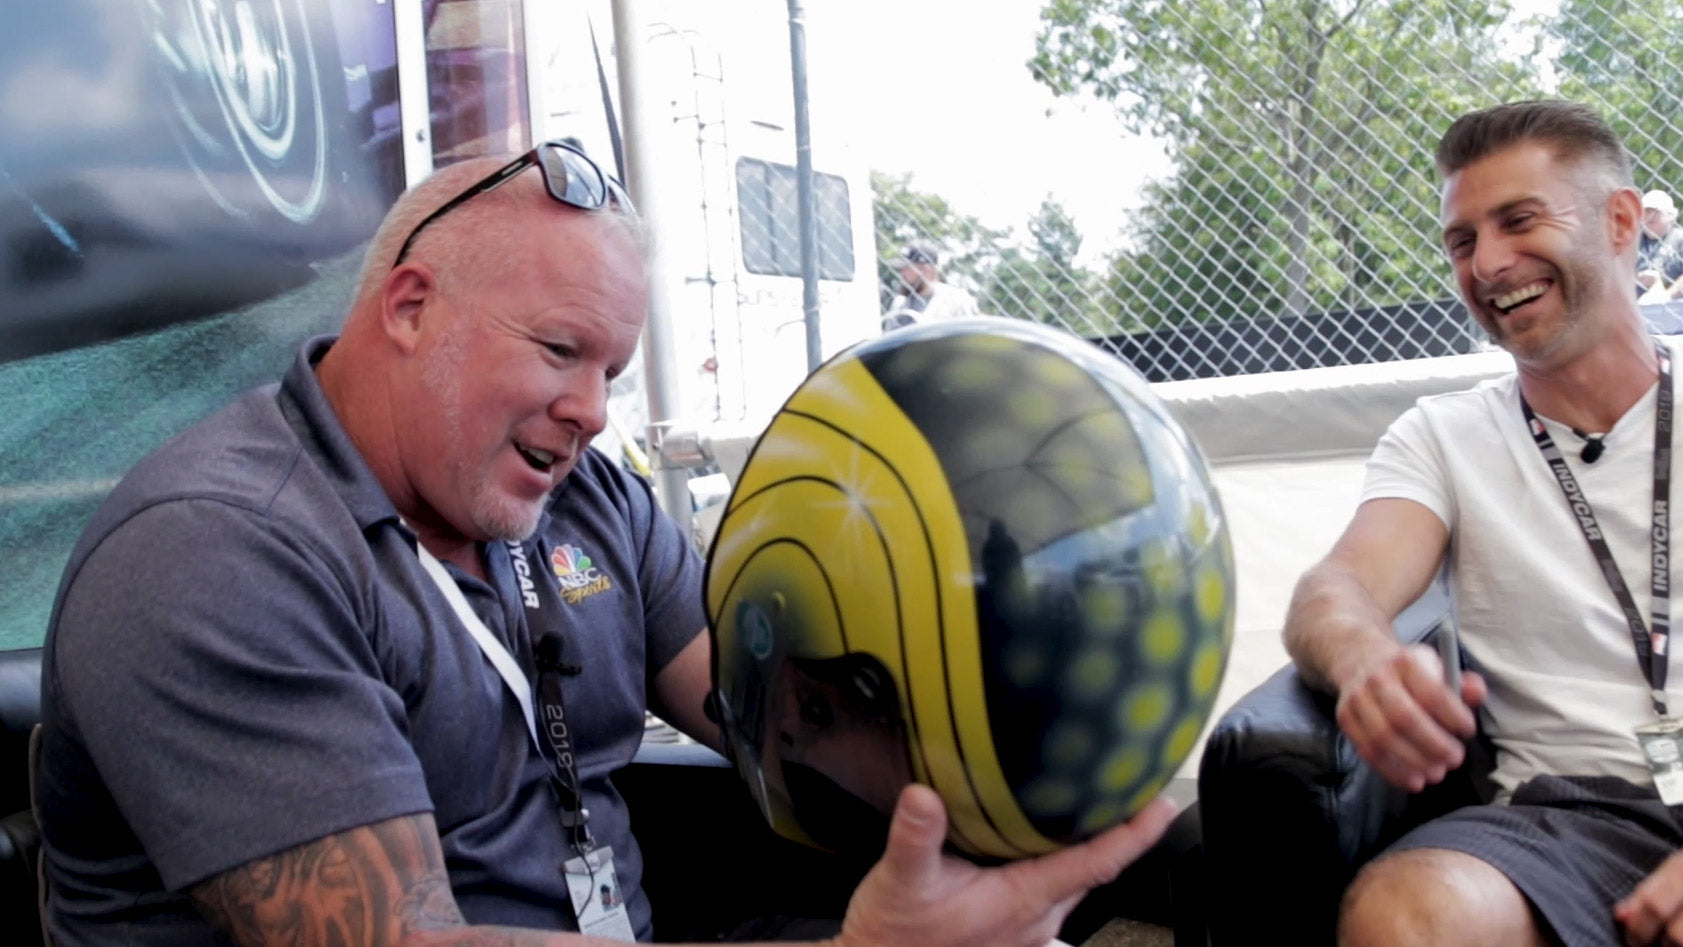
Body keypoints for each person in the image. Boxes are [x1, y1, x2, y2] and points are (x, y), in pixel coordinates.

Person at [34, 140, 1175, 946]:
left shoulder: (585, 501)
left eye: (612, 374)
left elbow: (765, 711)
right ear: (411, 305)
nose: (591, 410)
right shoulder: (217, 550)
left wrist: (1016, 776)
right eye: (559, 349)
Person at [1283, 99, 1683, 947]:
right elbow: (1336, 586)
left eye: (1518, 220)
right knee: (1406, 915)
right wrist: (1364, 659)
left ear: (1619, 221)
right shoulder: (1442, 434)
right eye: (1461, 241)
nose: (1489, 262)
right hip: (1570, 818)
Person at [882, 241, 981, 330]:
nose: (901, 274)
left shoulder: (956, 300)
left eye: (906, 268)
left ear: (926, 270)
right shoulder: (899, 304)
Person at [1636, 189, 1683, 301]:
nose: (1649, 215)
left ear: (1671, 215)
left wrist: (1667, 295)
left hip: (1672, 305)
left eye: (1655, 211)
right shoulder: (1634, 240)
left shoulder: (1679, 239)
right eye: (1645, 211)